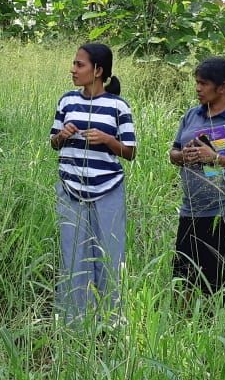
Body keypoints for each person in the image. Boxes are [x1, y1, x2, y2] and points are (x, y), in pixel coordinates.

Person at [49, 43, 136, 324]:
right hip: (70, 188)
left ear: (98, 71)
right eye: (73, 64)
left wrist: (108, 141)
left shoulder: (118, 106)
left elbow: (130, 151)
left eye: (79, 65)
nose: (73, 70)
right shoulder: (66, 101)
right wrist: (63, 135)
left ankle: (110, 320)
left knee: (109, 253)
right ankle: (74, 319)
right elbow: (53, 142)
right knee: (72, 252)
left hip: (107, 189)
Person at [168, 57, 225, 296]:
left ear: (222, 87)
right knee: (186, 283)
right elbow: (173, 152)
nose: (198, 88)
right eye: (197, 83)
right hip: (191, 211)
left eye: (204, 83)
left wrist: (215, 158)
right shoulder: (191, 116)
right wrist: (184, 155)